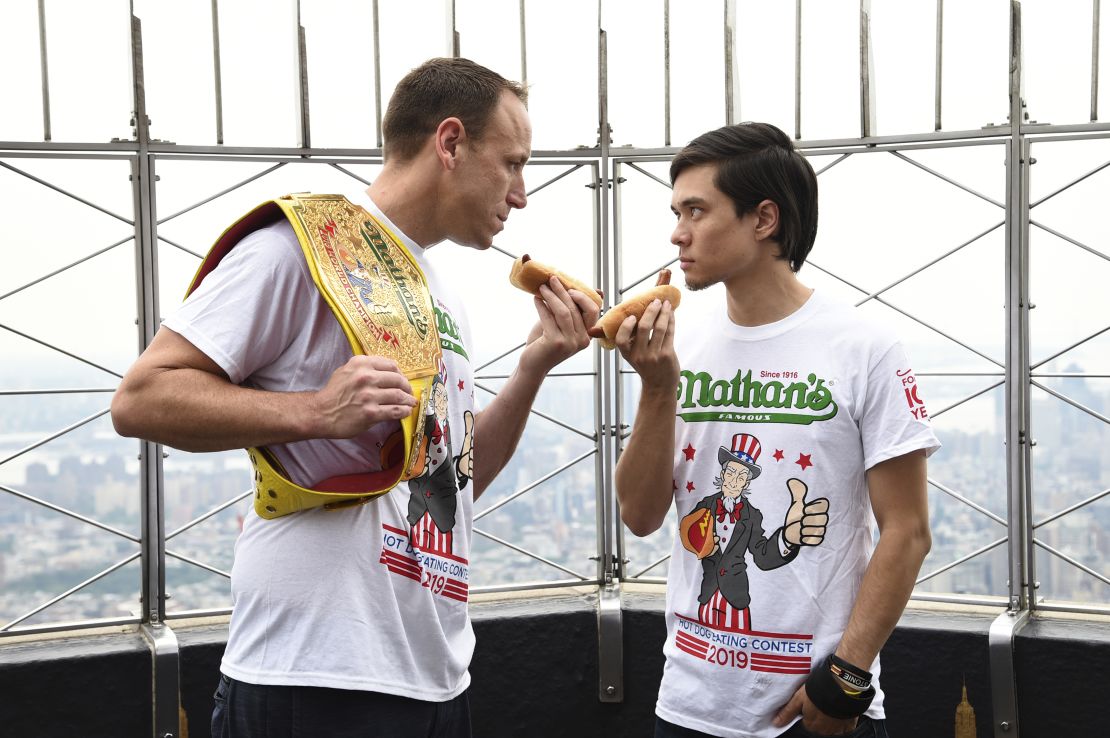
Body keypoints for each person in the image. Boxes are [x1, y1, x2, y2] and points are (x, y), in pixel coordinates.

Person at [111, 57, 599, 738]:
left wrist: (533, 367)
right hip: (315, 675)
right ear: (450, 143)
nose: (520, 194)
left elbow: (452, 483)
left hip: (432, 675)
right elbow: (141, 397)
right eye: (512, 163)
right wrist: (313, 411)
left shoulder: (438, 289)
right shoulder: (302, 247)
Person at [613, 122, 939, 738]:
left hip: (814, 711)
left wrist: (845, 677)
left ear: (763, 219)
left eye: (696, 210)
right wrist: (658, 388)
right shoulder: (687, 344)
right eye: (676, 211)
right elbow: (639, 513)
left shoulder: (865, 348)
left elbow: (908, 530)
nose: (677, 232)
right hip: (688, 705)